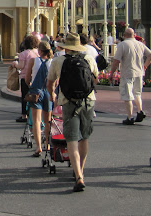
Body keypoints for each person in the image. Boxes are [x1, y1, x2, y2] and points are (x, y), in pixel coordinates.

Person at [46, 32, 99, 192]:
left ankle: (78, 177)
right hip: (88, 101)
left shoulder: (58, 61)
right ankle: (80, 169)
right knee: (84, 138)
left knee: (71, 140)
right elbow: (95, 79)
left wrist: (52, 94)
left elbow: (50, 83)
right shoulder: (88, 59)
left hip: (68, 102)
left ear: (66, 47)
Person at [108, 28, 151, 124]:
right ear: (134, 34)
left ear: (125, 35)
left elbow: (116, 61)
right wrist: (145, 66)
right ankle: (140, 111)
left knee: (128, 95)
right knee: (137, 93)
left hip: (128, 72)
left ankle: (130, 117)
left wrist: (111, 73)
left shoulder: (122, 45)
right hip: (139, 72)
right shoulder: (140, 44)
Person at [24, 41, 53, 157]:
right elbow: (55, 80)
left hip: (36, 92)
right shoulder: (52, 62)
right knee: (48, 121)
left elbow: (27, 78)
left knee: (36, 120)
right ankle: (48, 144)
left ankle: (38, 147)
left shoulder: (33, 61)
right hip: (48, 92)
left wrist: (30, 85)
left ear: (39, 51)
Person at [11, 34, 39, 123]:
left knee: (25, 96)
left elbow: (21, 66)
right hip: (35, 77)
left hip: (25, 76)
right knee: (35, 96)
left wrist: (15, 64)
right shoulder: (37, 52)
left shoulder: (24, 54)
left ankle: (24, 115)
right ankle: (34, 113)